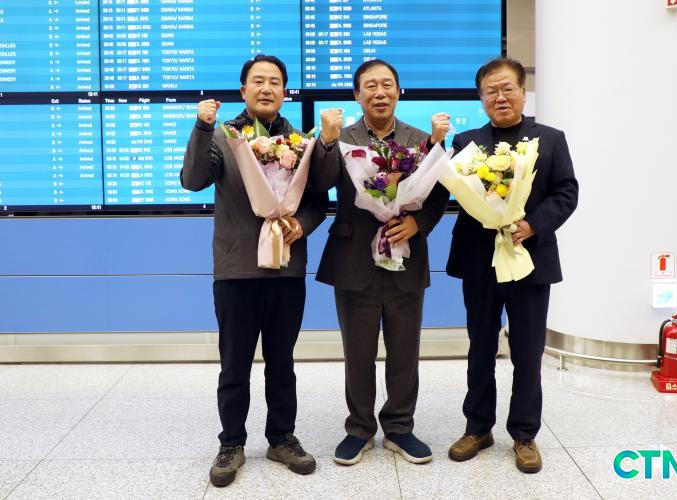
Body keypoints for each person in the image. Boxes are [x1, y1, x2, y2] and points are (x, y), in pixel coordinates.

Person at [181, 54, 327, 487]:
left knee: (282, 362)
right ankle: (231, 443)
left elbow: (318, 202)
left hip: (286, 268)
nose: (267, 88)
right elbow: (192, 180)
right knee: (234, 364)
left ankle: (282, 438)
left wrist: (302, 225)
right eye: (258, 81)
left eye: (275, 82)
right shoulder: (223, 137)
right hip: (236, 269)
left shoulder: (301, 142)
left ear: (285, 92)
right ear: (243, 90)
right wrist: (201, 126)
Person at [311, 59, 451, 465]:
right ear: (357, 95)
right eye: (370, 86)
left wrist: (417, 224)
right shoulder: (340, 137)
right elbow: (319, 185)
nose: (380, 92)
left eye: (387, 84)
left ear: (398, 91)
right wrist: (325, 141)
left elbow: (440, 194)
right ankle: (359, 429)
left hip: (406, 258)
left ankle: (400, 427)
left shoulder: (422, 140)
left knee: (405, 351)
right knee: (358, 354)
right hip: (353, 260)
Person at [445, 57, 578, 473]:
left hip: (530, 261)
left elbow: (566, 192)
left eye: (507, 89)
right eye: (491, 91)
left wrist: (531, 224)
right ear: (481, 98)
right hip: (480, 262)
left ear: (523, 92)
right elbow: (459, 193)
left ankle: (524, 434)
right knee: (480, 347)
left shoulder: (550, 139)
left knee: (527, 351)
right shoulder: (466, 142)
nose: (500, 97)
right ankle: (477, 428)